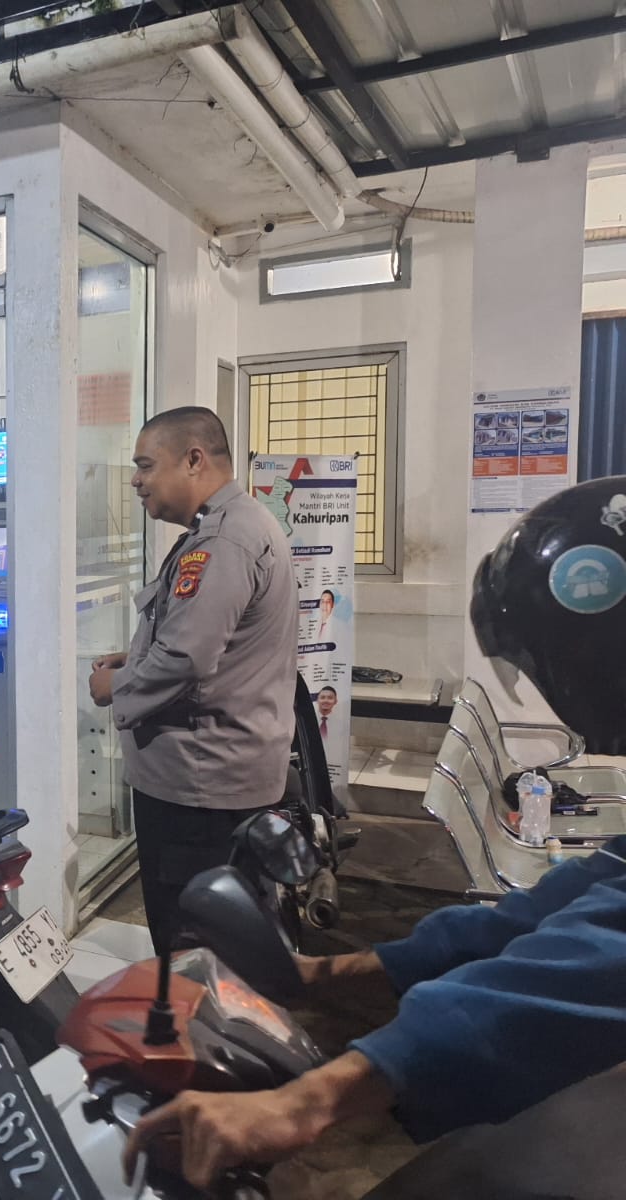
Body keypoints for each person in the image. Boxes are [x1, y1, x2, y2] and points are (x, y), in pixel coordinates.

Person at [124, 476, 626, 1195]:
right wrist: (336, 973)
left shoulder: (231, 537)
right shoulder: (225, 534)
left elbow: (588, 962)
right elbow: (556, 907)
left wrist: (310, 1101)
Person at [89, 407, 296, 953]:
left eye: (145, 466)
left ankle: (198, 1011)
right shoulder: (234, 525)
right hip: (218, 779)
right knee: (226, 936)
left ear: (194, 460)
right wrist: (135, 655)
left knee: (195, 947)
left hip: (201, 791)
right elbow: (209, 639)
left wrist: (117, 688)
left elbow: (185, 657)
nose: (135, 481)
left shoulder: (222, 542)